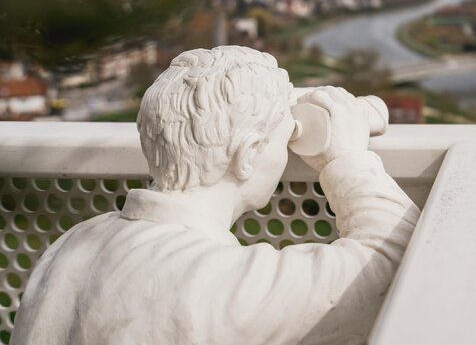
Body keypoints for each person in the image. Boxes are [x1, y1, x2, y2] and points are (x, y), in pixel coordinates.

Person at [12, 46, 420, 345]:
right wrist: (347, 157)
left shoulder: (72, 245)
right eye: (283, 140)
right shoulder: (226, 284)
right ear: (249, 155)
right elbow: (398, 261)